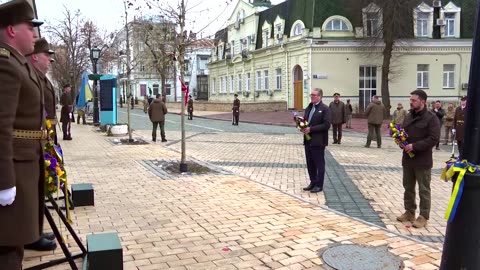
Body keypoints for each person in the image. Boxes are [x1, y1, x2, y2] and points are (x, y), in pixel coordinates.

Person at [0, 1, 45, 268]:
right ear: (11, 30)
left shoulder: (17, 62)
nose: (35, 35)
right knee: (6, 250)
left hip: (25, 166)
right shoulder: (5, 65)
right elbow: (1, 125)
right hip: (13, 170)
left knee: (13, 245)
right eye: (30, 28)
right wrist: (4, 181)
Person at [25, 38, 58, 251]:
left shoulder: (41, 78)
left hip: (44, 138)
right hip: (31, 142)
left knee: (39, 189)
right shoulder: (30, 77)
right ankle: (31, 233)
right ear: (35, 56)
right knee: (31, 192)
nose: (50, 60)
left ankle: (35, 230)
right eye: (47, 56)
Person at [396, 89, 440, 228]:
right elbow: (403, 132)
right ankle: (409, 211)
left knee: (423, 189)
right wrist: (400, 140)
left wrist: (414, 146)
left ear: (422, 101)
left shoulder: (431, 118)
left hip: (422, 160)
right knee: (408, 187)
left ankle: (423, 216)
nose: (411, 102)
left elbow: (434, 138)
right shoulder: (408, 116)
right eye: (410, 100)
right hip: (408, 159)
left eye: (413, 100)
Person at [302, 88, 331, 193]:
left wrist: (311, 129)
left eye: (314, 95)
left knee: (319, 164)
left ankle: (319, 185)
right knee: (310, 163)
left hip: (318, 141)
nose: (312, 97)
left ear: (320, 96)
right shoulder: (309, 107)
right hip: (308, 140)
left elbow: (326, 125)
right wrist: (302, 126)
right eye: (311, 95)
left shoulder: (325, 109)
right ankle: (313, 182)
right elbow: (306, 120)